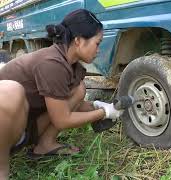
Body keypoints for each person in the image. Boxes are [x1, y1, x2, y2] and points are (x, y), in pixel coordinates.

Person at [0, 9, 122, 179]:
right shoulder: (52, 64)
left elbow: (70, 103)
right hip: (6, 128)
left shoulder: (70, 65)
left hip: (22, 124)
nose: (98, 50)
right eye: (97, 43)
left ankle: (45, 144)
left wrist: (98, 106)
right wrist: (103, 113)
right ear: (78, 41)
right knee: (15, 93)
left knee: (79, 90)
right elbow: (62, 119)